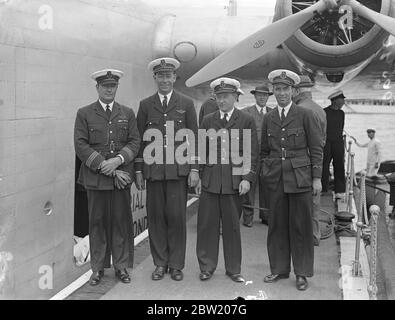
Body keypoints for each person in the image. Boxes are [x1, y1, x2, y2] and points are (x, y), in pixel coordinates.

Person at [135, 57, 199, 281]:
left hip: (177, 171)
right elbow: (139, 140)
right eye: (160, 75)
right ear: (155, 78)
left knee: (176, 217)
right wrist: (139, 171)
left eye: (168, 75)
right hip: (153, 172)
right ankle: (160, 263)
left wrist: (194, 169)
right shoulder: (145, 105)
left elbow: (194, 138)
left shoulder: (186, 103)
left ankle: (176, 264)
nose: (164, 79)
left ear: (174, 77)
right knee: (156, 218)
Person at [74, 69, 140, 286]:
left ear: (116, 88)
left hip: (120, 179)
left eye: (113, 86)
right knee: (97, 224)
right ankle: (98, 268)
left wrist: (118, 160)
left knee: (121, 223)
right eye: (105, 86)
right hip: (96, 179)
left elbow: (134, 142)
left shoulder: (127, 113)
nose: (109, 89)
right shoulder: (84, 113)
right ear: (97, 88)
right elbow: (80, 145)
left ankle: (121, 267)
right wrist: (104, 164)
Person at [260, 69, 323, 291]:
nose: (282, 93)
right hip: (276, 178)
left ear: (293, 90)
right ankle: (279, 269)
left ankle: (302, 273)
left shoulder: (305, 115)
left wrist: (317, 179)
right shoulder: (269, 118)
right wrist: (265, 174)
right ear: (273, 91)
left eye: (286, 89)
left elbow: (316, 149)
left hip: (300, 177)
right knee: (276, 225)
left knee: (301, 226)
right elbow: (264, 151)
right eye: (277, 89)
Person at [196, 77, 258, 283]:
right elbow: (201, 151)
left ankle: (233, 269)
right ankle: (206, 266)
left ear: (236, 97)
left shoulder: (246, 120)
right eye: (219, 96)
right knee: (207, 227)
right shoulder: (208, 120)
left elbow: (251, 153)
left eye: (226, 96)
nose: (222, 100)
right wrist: (198, 175)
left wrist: (247, 178)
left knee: (232, 228)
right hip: (211, 182)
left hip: (234, 183)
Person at [293, 75, 327, 246]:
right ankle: (315, 235)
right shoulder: (320, 110)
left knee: (299, 203)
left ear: (297, 90)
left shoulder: (299, 110)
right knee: (314, 202)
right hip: (316, 162)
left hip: (300, 164)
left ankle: (302, 237)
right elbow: (321, 143)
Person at [241, 84, 274, 227]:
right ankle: (248, 218)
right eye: (259, 95)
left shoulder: (273, 113)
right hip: (251, 156)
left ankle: (266, 216)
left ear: (268, 97)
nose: (262, 97)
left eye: (265, 95)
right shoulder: (246, 113)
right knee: (249, 187)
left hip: (267, 156)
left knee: (267, 187)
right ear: (254, 96)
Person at [322, 90, 346, 199]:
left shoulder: (342, 113)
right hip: (326, 142)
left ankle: (340, 190)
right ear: (335, 100)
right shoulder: (324, 112)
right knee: (324, 165)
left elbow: (341, 128)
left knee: (340, 165)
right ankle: (323, 188)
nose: (343, 102)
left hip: (338, 142)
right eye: (342, 100)